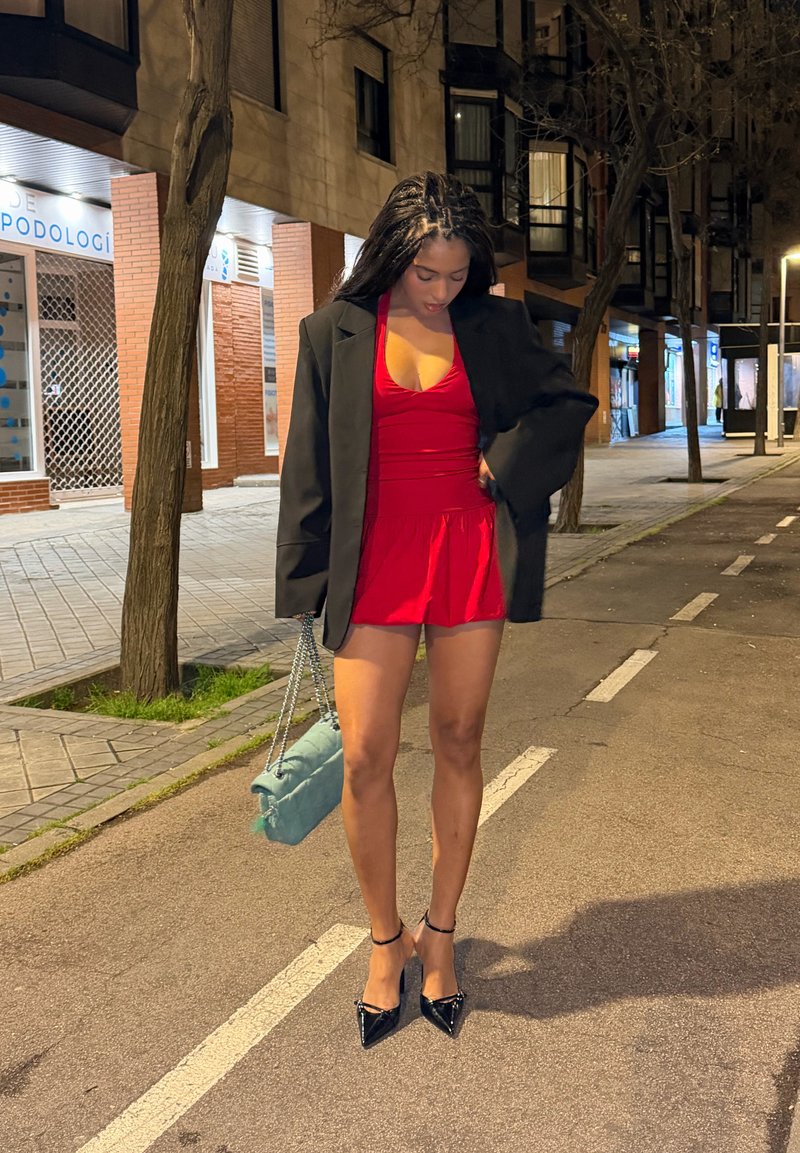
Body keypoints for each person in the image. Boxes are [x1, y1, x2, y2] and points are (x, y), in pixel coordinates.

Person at [275, 172, 596, 1048]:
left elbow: (566, 402)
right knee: (365, 755)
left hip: (465, 552)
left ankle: (441, 935)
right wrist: (303, 590)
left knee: (459, 737)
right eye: (427, 273)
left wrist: (503, 465)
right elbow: (308, 462)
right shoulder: (332, 331)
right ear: (392, 255)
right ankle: (386, 942)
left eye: (456, 275)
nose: (442, 290)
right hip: (374, 557)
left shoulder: (492, 325)